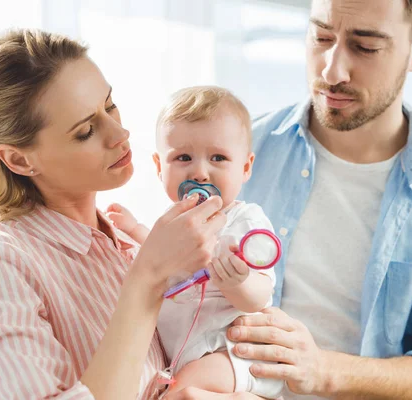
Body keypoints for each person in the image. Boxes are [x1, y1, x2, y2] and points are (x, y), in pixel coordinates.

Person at [206, 0, 412, 399]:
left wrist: (324, 370)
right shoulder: (230, 159)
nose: (331, 71)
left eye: (365, 47)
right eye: (321, 37)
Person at [0, 29, 256, 400]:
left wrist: (266, 351)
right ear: (20, 160)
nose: (120, 133)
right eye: (86, 130)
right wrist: (146, 279)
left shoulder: (128, 248)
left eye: (110, 104)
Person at [107, 86, 283, 398]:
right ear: (160, 167)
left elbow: (259, 297)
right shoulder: (174, 220)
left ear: (245, 167)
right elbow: (162, 256)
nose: (200, 172)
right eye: (183, 157)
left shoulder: (246, 222)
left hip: (232, 351)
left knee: (181, 389)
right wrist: (135, 231)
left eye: (219, 158)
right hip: (187, 353)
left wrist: (238, 281)